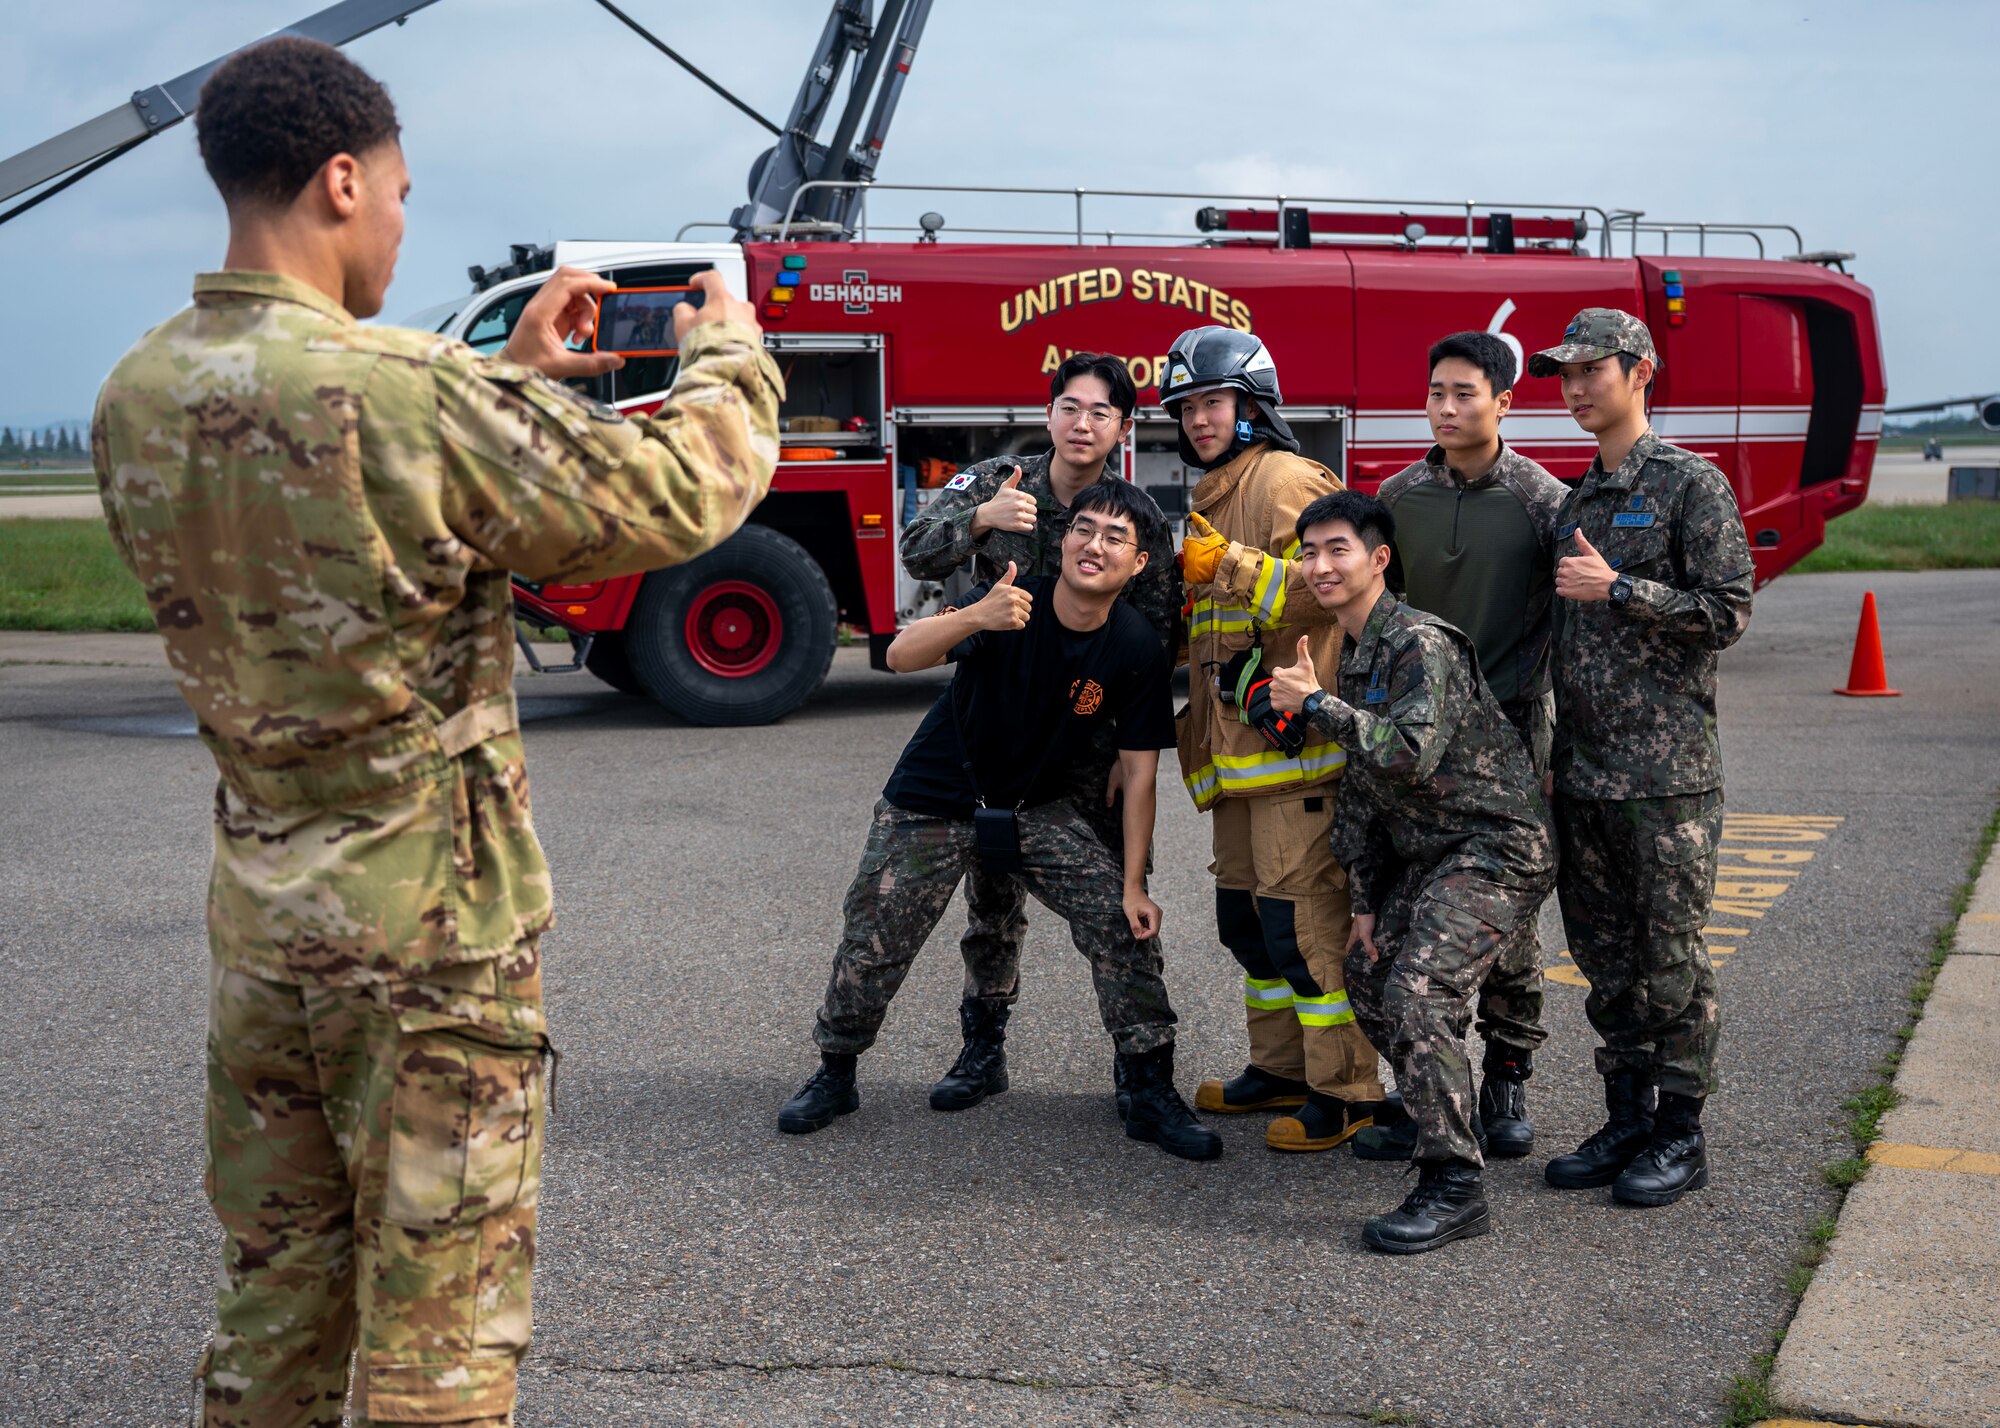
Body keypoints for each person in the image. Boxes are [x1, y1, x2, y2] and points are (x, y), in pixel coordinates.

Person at [90, 38, 781, 1428]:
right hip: (428, 945)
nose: (403, 225)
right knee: (442, 1335)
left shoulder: (134, 396)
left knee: (278, 1290)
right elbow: (679, 492)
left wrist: (509, 379)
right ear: (342, 181)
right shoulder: (403, 389)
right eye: (400, 194)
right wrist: (731, 346)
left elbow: (365, 516)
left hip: (264, 926)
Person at [780, 479, 1220, 1161]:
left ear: (1139, 565)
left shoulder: (1133, 646)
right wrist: (974, 617)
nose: (1092, 545)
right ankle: (835, 1071)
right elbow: (901, 655)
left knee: (1120, 920)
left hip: (1030, 804)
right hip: (933, 796)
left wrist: (1135, 883)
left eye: (1114, 537)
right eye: (1083, 528)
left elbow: (1139, 778)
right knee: (875, 938)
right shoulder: (1012, 601)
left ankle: (1149, 1085)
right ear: (1064, 536)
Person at [1264, 491, 1553, 1251]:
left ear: (1379, 559)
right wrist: (1365, 899)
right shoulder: (1356, 649)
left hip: (1496, 845)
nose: (1321, 566)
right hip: (1433, 852)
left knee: (1418, 992)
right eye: (1311, 552)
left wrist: (1317, 705)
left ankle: (1454, 1184)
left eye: (1338, 550)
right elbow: (1365, 788)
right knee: (1367, 975)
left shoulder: (1418, 642)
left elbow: (1404, 754)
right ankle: (1437, 1111)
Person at [898, 354, 1178, 1115]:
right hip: (999, 726)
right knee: (992, 897)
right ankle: (982, 1047)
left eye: (1101, 413)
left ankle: (1142, 1073)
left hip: (1089, 739)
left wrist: (1128, 748)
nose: (1082, 424)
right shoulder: (997, 481)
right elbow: (915, 547)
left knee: (1118, 904)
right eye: (1070, 407)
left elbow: (1155, 636)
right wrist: (979, 519)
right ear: (1050, 411)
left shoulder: (1134, 515)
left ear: (1124, 427)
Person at [1528, 309, 1754, 1207]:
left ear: (1641, 372)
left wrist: (1621, 587)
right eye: (1565, 373)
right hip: (1583, 773)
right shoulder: (1576, 500)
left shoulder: (1691, 483)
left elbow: (1728, 611)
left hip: (1665, 779)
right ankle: (1625, 1115)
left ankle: (1679, 1131)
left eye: (1594, 369)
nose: (1577, 386)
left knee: (1673, 961)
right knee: (1606, 958)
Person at [1166, 326, 1385, 1152]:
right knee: (1247, 929)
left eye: (1212, 403)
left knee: (1308, 936)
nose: (1197, 420)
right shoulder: (1214, 494)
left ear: (1253, 404)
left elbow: (1329, 588)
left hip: (1296, 763)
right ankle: (1282, 1071)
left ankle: (1349, 1092)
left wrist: (1228, 566)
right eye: (1186, 409)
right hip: (1236, 766)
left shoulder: (1289, 478)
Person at [1352, 330, 1568, 1162]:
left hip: (1511, 733)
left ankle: (1508, 1071)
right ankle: (1432, 1088)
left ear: (1503, 402)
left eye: (1465, 393)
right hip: (1414, 735)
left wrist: (1555, 757)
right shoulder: (1399, 495)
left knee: (1505, 921)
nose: (1446, 407)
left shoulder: (1542, 501)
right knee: (1415, 907)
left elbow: (1571, 629)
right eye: (1436, 391)